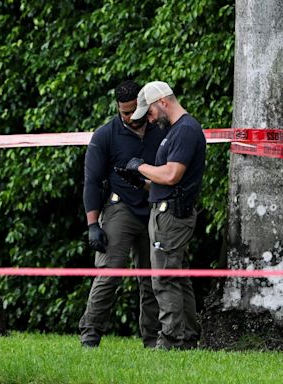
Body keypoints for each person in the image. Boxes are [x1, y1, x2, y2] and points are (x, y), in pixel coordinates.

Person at [79, 80, 165, 348]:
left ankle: (152, 340)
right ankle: (90, 336)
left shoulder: (160, 130)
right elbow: (91, 181)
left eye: (133, 111)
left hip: (153, 209)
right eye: (123, 112)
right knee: (109, 273)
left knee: (152, 278)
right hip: (120, 209)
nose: (129, 118)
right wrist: (93, 225)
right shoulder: (105, 135)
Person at [125, 81, 206, 350]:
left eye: (148, 113)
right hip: (166, 210)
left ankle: (170, 341)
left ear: (163, 102)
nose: (148, 119)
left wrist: (142, 166)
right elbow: (166, 180)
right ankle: (188, 338)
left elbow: (172, 175)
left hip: (172, 215)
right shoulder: (176, 131)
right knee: (177, 277)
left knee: (164, 278)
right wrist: (141, 180)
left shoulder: (185, 130)